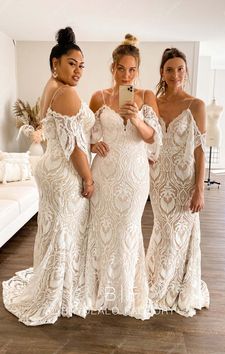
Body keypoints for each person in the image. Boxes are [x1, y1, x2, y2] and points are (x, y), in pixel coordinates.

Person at [2, 27, 95, 326]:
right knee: (64, 231)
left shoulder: (51, 86)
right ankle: (57, 292)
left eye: (82, 65)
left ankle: (52, 283)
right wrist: (89, 179)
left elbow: (67, 136)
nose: (78, 70)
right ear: (55, 62)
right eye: (72, 63)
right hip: (65, 173)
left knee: (55, 230)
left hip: (50, 167)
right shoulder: (66, 92)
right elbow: (74, 148)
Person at [85, 34, 162, 320]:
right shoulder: (99, 97)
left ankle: (125, 293)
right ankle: (100, 290)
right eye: (121, 69)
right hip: (104, 174)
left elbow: (154, 139)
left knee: (127, 230)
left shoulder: (145, 97)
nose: (126, 75)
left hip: (133, 178)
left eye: (132, 70)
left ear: (138, 70)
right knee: (102, 230)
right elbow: (82, 137)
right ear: (113, 68)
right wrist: (93, 145)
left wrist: (137, 119)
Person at [146, 48, 209, 317]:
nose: (175, 74)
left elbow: (200, 150)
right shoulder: (153, 103)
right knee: (162, 231)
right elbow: (147, 138)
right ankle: (155, 279)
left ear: (186, 71)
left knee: (178, 234)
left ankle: (173, 286)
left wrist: (199, 188)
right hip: (159, 180)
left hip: (183, 182)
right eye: (169, 69)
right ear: (162, 72)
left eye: (180, 68)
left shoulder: (196, 105)